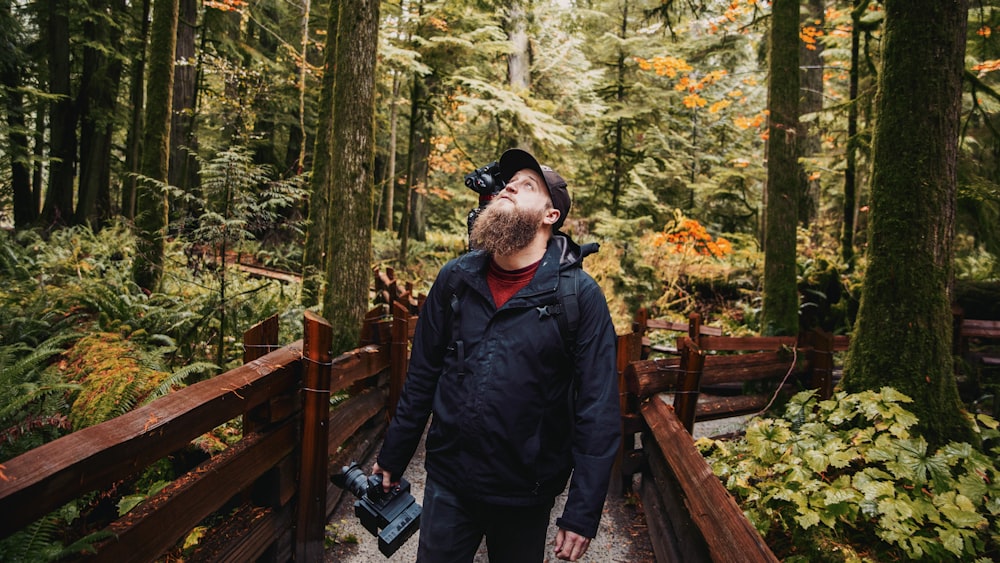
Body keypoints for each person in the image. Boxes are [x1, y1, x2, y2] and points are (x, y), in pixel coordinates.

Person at [373, 148, 621, 563]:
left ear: (550, 216)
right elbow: (422, 375)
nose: (509, 187)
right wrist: (393, 456)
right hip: (450, 481)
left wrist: (582, 511)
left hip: (527, 491)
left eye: (528, 186)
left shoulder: (579, 297)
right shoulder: (456, 279)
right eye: (509, 182)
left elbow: (598, 409)